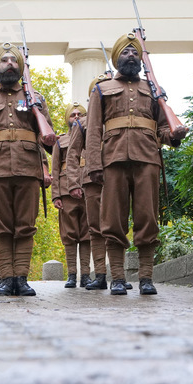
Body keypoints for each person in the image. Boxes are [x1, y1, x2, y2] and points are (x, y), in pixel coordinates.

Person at [87, 34, 187, 296]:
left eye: (135, 52)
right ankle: (117, 278)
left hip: (147, 159)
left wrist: (174, 136)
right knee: (113, 220)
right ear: (116, 57)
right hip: (114, 160)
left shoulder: (154, 90)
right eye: (125, 52)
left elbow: (163, 128)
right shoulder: (102, 89)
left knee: (148, 218)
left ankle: (146, 278)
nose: (131, 55)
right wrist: (94, 165)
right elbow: (93, 132)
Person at [0, 43, 53, 297]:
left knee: (25, 226)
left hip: (29, 169)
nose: (9, 63)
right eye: (4, 60)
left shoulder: (36, 98)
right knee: (0, 227)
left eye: (14, 60)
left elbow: (48, 138)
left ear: (21, 67)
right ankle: (6, 278)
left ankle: (22, 277)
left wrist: (37, 110)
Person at [65, 75, 114, 291]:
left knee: (117, 225)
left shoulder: (116, 119)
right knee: (95, 229)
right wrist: (74, 183)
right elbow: (72, 156)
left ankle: (118, 275)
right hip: (91, 181)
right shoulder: (82, 124)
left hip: (117, 177)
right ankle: (101, 274)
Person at [52, 102, 91, 288]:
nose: (76, 117)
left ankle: (85, 275)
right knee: (69, 235)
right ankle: (72, 275)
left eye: (80, 114)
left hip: (88, 187)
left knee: (87, 234)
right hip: (67, 190)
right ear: (67, 118)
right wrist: (56, 195)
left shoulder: (92, 137)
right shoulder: (60, 141)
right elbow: (54, 168)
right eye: (72, 115)